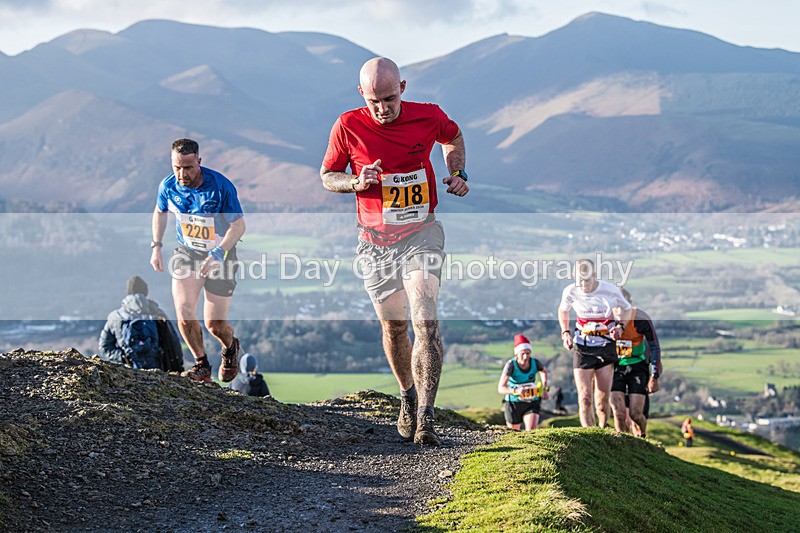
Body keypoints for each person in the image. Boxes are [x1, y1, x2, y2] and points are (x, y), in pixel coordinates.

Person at [320, 57, 469, 446]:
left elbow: (453, 137)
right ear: (361, 94)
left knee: (425, 319)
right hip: (375, 243)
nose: (383, 108)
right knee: (394, 327)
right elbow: (328, 175)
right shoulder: (347, 125)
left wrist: (458, 172)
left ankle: (426, 417)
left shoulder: (428, 115)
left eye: (389, 99)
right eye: (374, 101)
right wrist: (355, 182)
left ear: (402, 88)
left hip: (422, 232)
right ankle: (407, 395)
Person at [150, 138, 246, 383]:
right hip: (187, 253)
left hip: (221, 256)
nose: (182, 174)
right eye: (177, 167)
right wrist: (156, 246)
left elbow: (238, 226)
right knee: (184, 312)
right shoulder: (168, 186)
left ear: (199, 162)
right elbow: (160, 211)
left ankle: (230, 347)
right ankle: (202, 365)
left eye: (188, 167)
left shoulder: (220, 186)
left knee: (215, 325)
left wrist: (218, 252)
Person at [558, 259, 631, 428]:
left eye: (587, 280)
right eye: (580, 280)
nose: (583, 285)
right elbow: (563, 310)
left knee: (602, 401)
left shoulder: (610, 290)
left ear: (595, 276)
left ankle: (602, 428)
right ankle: (589, 433)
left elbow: (627, 309)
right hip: (582, 347)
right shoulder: (570, 291)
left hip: (605, 346)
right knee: (584, 398)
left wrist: (620, 326)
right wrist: (565, 333)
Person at [98, 275, 183, 371]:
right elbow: (174, 343)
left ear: (128, 292)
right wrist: (179, 366)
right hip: (157, 369)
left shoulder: (116, 317)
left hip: (129, 370)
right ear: (145, 292)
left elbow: (104, 347)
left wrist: (123, 357)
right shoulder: (157, 313)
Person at [610, 287, 663, 438]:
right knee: (619, 413)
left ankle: (642, 436)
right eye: (616, 306)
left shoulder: (641, 318)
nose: (619, 310)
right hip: (615, 367)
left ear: (630, 304)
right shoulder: (607, 318)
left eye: (623, 306)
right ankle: (623, 444)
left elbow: (655, 346)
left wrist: (654, 375)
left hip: (637, 366)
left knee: (636, 414)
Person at [497, 334, 549, 431]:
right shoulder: (511, 365)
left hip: (532, 401)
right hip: (513, 402)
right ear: (516, 354)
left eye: (528, 353)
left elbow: (543, 371)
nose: (525, 357)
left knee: (531, 431)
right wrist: (516, 391)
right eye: (523, 354)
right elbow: (501, 388)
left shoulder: (535, 362)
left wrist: (545, 388)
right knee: (514, 433)